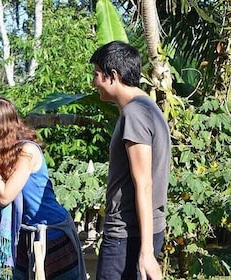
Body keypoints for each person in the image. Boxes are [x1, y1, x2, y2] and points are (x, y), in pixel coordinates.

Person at [0, 97, 87, 280]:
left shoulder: (27, 151)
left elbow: (5, 197)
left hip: (51, 234)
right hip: (24, 235)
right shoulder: (2, 152)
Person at [89, 41, 171, 280]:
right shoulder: (148, 107)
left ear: (112, 76)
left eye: (96, 75)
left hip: (128, 235)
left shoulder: (135, 113)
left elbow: (143, 183)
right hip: (141, 230)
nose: (94, 82)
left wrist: (146, 252)